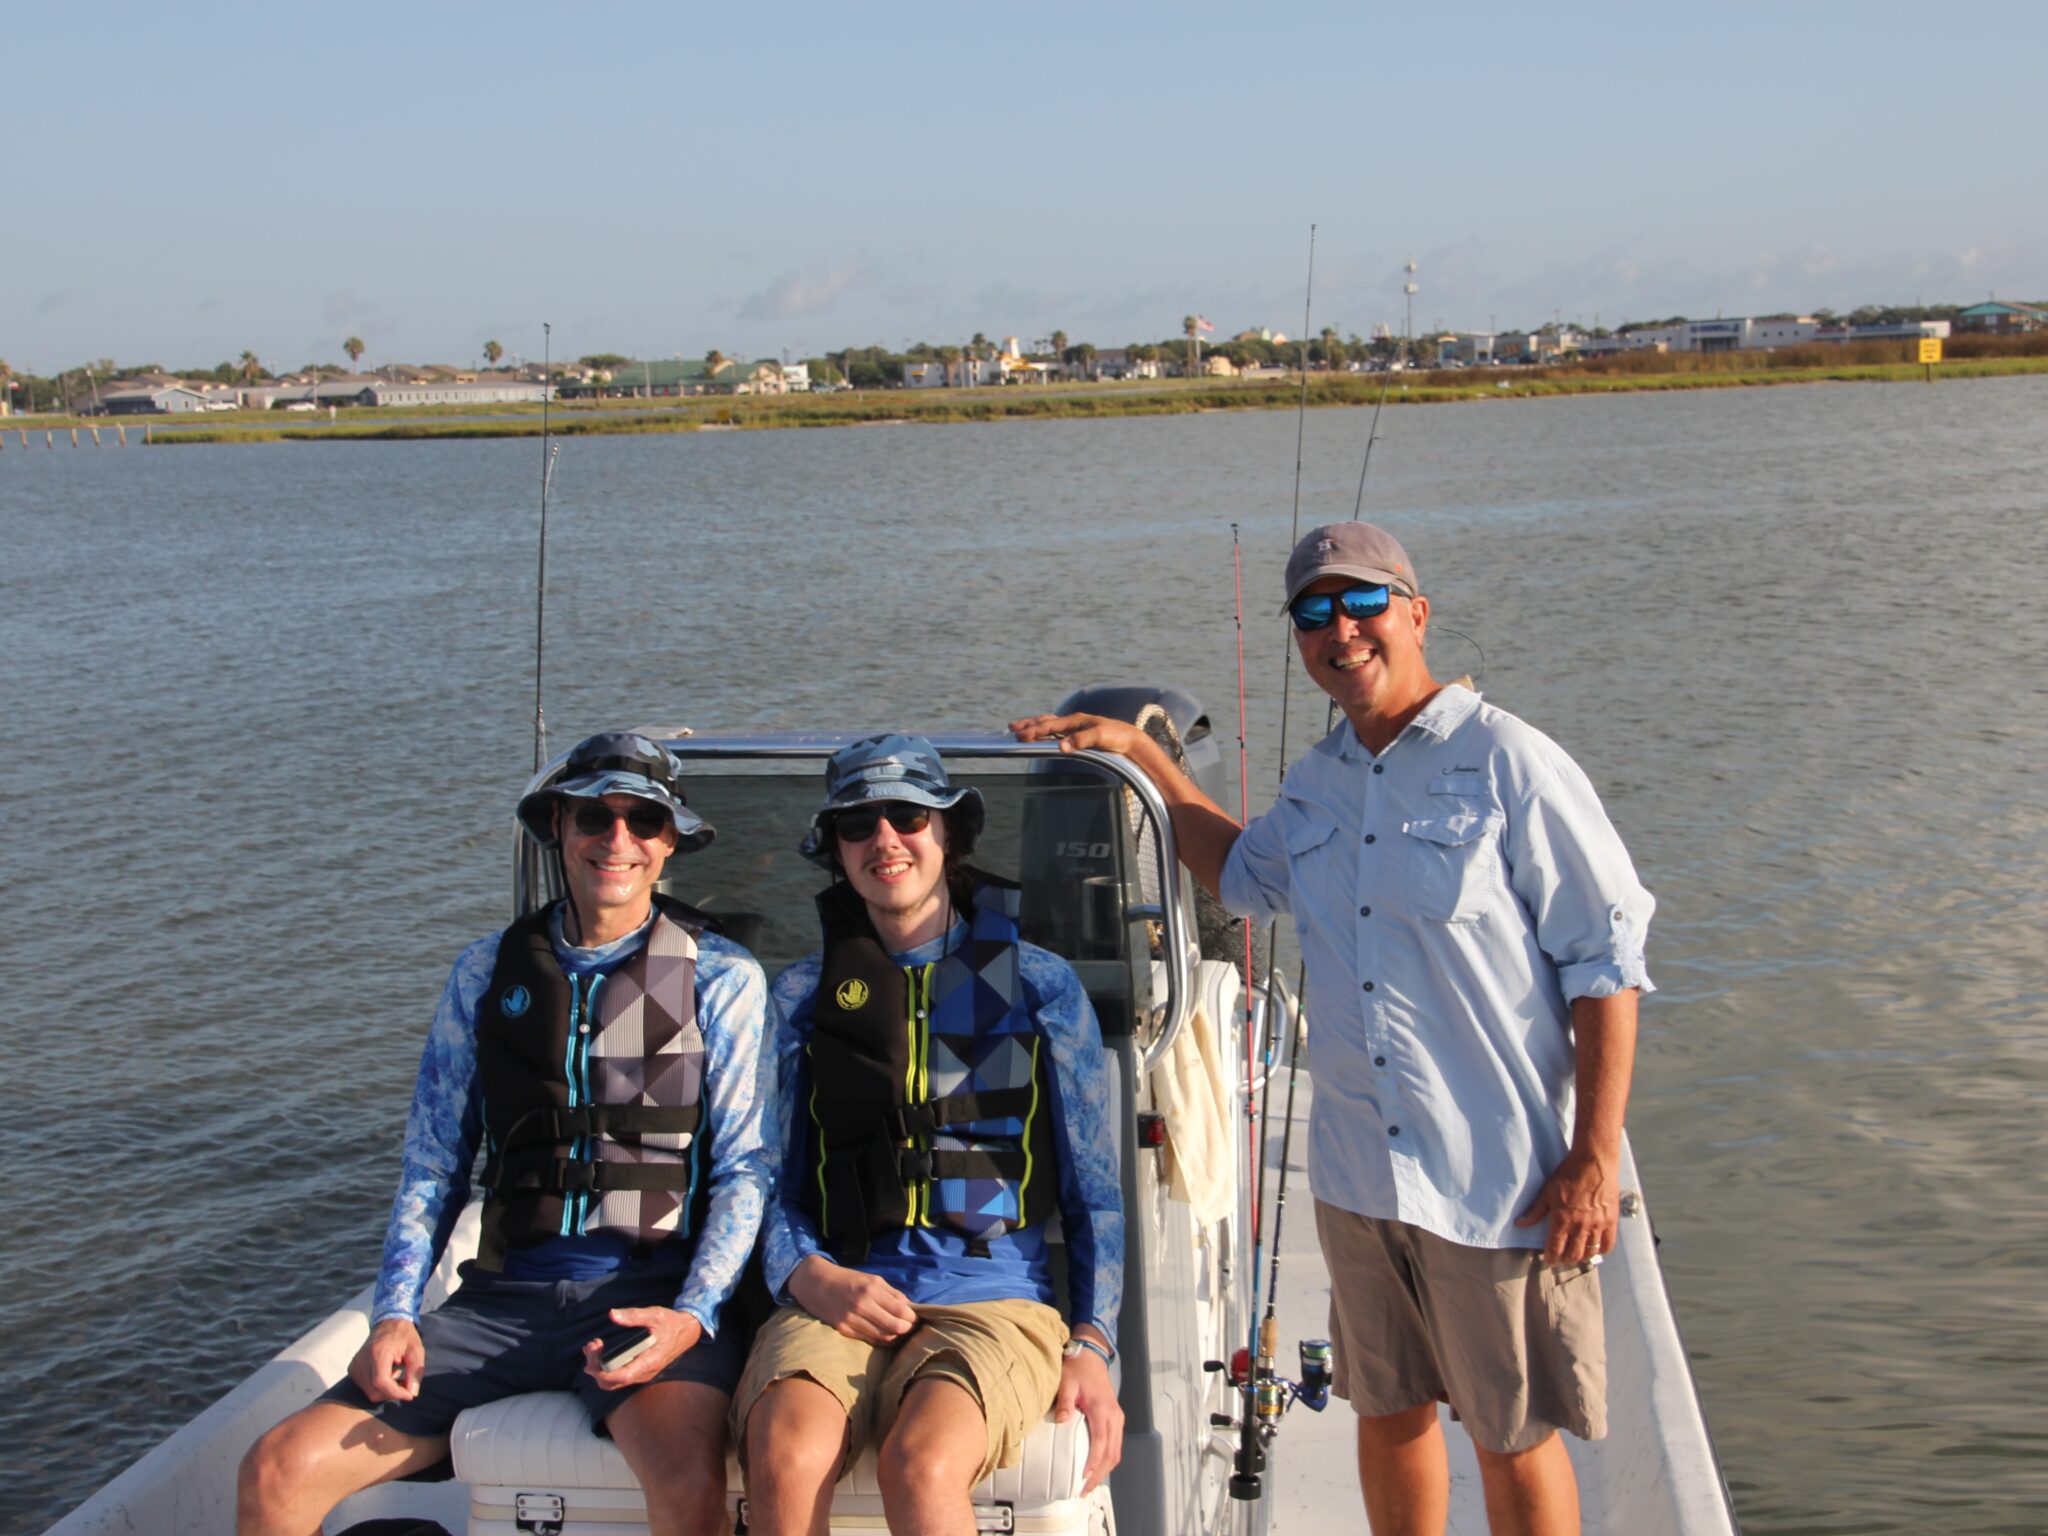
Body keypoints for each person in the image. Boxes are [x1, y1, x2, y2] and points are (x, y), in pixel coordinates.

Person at [1014, 522, 1655, 1536]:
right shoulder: (1318, 782)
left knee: (1510, 1431)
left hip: (1496, 1179)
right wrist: (1142, 758)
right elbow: (1236, 873)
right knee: (1386, 1408)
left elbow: (1607, 967)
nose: (1339, 629)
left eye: (1362, 602)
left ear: (1415, 612)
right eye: (1313, 611)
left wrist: (1592, 1157)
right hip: (1358, 1177)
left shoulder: (1510, 763)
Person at [238, 732, 777, 1536]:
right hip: (498, 1302)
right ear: (558, 827)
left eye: (643, 821)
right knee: (274, 1471)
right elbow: (431, 1162)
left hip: (647, 1296)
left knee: (687, 1480)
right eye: (595, 816)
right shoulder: (484, 974)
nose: (617, 841)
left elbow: (747, 1170)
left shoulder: (724, 978)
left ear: (670, 842)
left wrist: (692, 1315)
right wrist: (394, 1314)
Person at [736, 734, 1124, 1536]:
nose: (885, 840)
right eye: (858, 824)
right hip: (841, 1291)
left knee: (921, 1464)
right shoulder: (802, 999)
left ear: (949, 833)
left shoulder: (1041, 987)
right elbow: (760, 1176)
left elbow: (1097, 1194)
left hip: (994, 1302)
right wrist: (807, 1275)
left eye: (908, 816)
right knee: (782, 1452)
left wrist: (1093, 1342)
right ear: (835, 851)